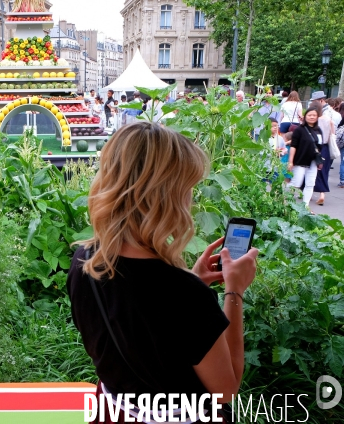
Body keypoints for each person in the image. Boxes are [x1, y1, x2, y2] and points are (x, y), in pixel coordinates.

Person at [67, 122, 258, 422]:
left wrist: (192, 279)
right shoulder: (184, 294)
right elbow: (225, 389)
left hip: (113, 412)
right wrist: (234, 291)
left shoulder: (83, 261)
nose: (190, 200)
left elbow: (133, 312)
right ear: (166, 196)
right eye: (188, 188)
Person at [287, 104, 323, 208]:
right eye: (309, 115)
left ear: (317, 117)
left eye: (314, 115)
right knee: (296, 183)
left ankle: (305, 205)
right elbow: (293, 146)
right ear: (305, 116)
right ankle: (284, 200)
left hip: (313, 161)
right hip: (300, 160)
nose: (312, 117)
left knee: (310, 183)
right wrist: (291, 161)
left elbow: (320, 144)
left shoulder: (318, 130)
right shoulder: (299, 130)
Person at [308, 100, 334, 206]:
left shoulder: (313, 121)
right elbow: (333, 134)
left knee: (312, 171)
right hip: (326, 147)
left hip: (315, 147)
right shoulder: (328, 119)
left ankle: (308, 194)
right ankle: (322, 194)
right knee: (324, 172)